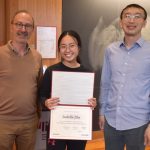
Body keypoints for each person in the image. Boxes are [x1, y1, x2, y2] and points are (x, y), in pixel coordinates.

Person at [99, 3, 150, 150]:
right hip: (111, 120)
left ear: (144, 23)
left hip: (139, 122)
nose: (131, 20)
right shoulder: (111, 50)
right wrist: (102, 113)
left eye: (137, 16)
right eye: (127, 16)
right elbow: (106, 83)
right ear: (121, 22)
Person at [40, 30, 97, 150]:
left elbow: (91, 101)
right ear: (59, 49)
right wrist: (46, 102)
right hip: (57, 126)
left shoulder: (87, 72)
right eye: (63, 46)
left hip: (79, 126)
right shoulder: (51, 71)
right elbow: (41, 96)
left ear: (78, 48)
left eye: (72, 46)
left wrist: (93, 103)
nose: (67, 50)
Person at [0, 10, 43, 150]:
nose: (23, 29)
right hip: (3, 122)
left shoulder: (37, 57)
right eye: (19, 24)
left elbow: (39, 87)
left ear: (32, 29)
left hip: (29, 123)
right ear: (12, 26)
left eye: (27, 26)